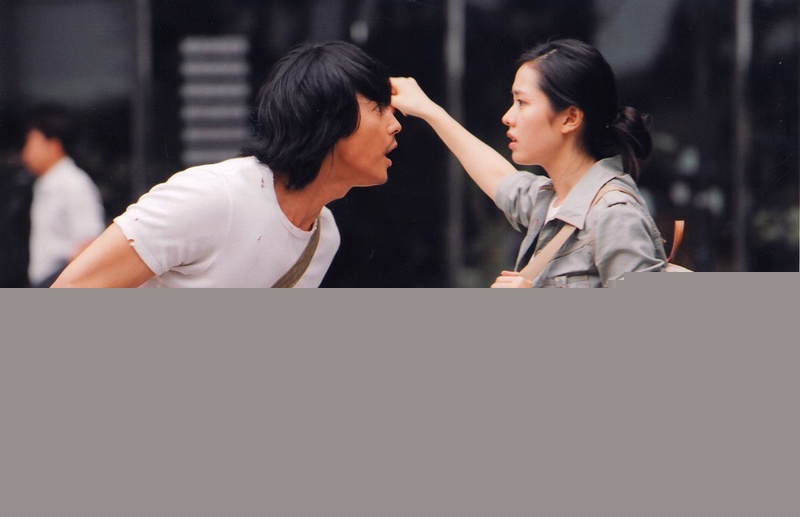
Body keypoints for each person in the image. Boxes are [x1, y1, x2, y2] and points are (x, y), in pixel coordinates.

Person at [51, 41, 401, 288]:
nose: (395, 124)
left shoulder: (324, 237)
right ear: (328, 121)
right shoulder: (213, 197)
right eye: (378, 108)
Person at [390, 38, 667, 288]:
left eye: (522, 102)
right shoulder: (548, 202)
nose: (508, 117)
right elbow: (498, 177)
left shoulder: (614, 215)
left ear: (570, 118)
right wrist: (428, 110)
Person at [20, 105, 106, 287]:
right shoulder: (44, 183)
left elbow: (88, 242)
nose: (25, 153)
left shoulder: (74, 183)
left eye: (31, 144)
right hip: (43, 281)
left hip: (60, 281)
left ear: (54, 146)